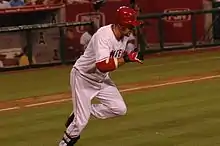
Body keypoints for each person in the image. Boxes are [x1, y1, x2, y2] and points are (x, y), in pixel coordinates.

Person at [59, 6, 143, 146]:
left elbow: (110, 64)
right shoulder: (104, 36)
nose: (131, 29)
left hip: (101, 79)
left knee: (119, 108)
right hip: (83, 77)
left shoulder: (123, 37)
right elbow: (102, 65)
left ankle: (84, 111)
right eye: (129, 26)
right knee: (81, 122)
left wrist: (126, 57)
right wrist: (126, 59)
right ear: (120, 25)